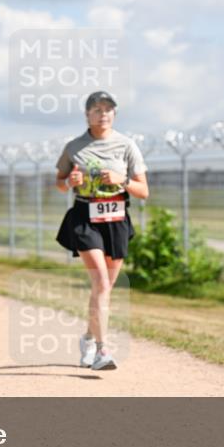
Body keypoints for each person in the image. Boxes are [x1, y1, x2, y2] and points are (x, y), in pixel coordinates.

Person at [54, 90, 149, 371]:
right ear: (87, 115)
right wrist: (69, 181)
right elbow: (59, 183)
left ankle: (87, 338)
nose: (103, 113)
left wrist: (123, 180)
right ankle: (102, 349)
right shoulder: (74, 147)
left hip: (117, 217)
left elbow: (144, 191)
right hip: (85, 216)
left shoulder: (127, 146)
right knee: (102, 284)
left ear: (114, 114)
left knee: (103, 288)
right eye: (97, 109)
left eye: (108, 109)